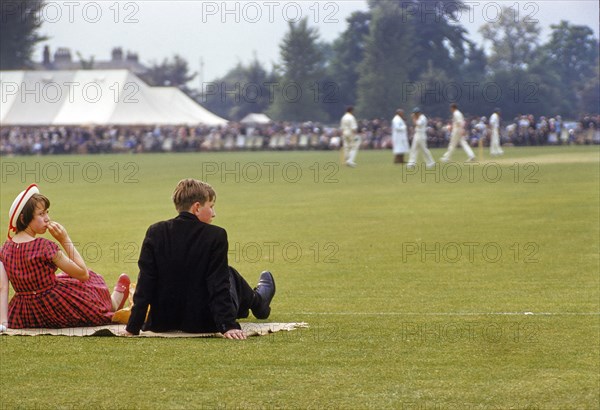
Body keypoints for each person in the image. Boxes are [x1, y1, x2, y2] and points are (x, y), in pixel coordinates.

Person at [124, 179, 276, 340]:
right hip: (203, 322)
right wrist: (227, 325)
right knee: (229, 274)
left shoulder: (155, 231)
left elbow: (146, 282)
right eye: (211, 206)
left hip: (163, 322)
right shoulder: (216, 235)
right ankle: (258, 302)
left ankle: (257, 302)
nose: (214, 213)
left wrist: (133, 326)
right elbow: (218, 284)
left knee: (228, 273)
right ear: (197, 207)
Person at [0, 184, 130, 330]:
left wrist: (4, 323)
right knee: (91, 279)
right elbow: (83, 274)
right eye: (41, 214)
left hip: (24, 312)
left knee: (66, 276)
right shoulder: (45, 246)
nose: (47, 219)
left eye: (47, 213)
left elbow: (3, 287)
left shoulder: (4, 248)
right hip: (54, 306)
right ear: (24, 219)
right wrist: (65, 239)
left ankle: (111, 303)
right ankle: (112, 304)